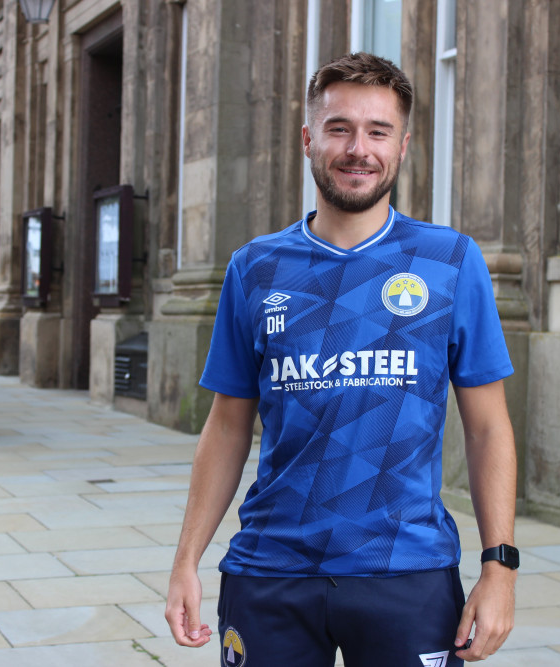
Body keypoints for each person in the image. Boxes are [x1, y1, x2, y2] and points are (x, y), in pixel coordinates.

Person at [165, 52, 518, 666]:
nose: (359, 148)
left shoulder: (451, 262)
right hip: (272, 570)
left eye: (378, 131)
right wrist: (186, 562)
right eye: (339, 128)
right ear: (309, 139)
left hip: (406, 570)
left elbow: (489, 428)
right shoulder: (255, 268)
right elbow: (226, 425)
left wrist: (500, 568)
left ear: (402, 145)